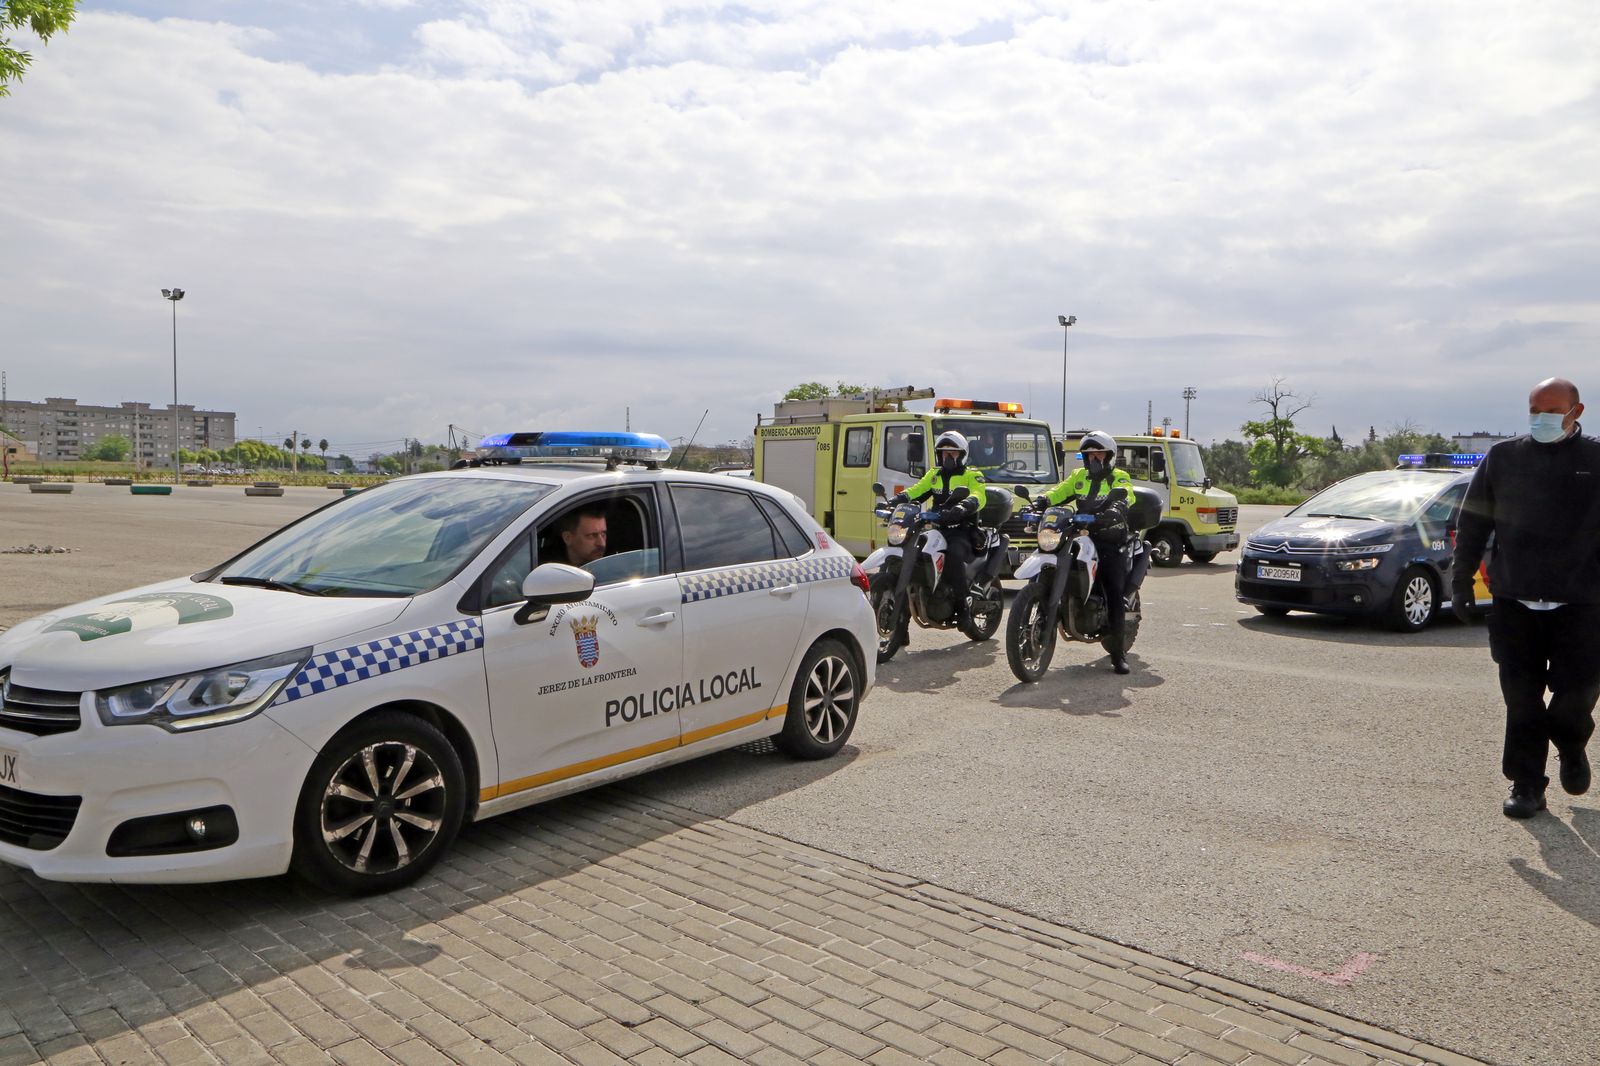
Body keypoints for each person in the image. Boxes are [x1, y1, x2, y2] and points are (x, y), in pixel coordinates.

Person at [1453, 377, 1600, 819]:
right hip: (1515, 601)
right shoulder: (1503, 457)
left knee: (1576, 697)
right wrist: (1461, 578)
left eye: (1551, 411)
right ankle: (1526, 783)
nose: (1541, 419)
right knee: (1521, 699)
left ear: (1577, 411)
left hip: (1583, 603)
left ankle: (1571, 745)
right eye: (1534, 410)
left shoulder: (1596, 458)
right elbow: (1474, 520)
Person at [1036, 430, 1136, 674]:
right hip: (1080, 535)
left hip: (1110, 537)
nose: (1094, 458)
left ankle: (1117, 654)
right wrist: (1042, 500)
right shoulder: (1078, 476)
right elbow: (1059, 492)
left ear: (1109, 455)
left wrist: (1118, 506)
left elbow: (1127, 494)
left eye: (1098, 453)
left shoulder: (1118, 477)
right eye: (1089, 454)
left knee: (1113, 588)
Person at [891, 430, 987, 632]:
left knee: (954, 555)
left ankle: (962, 609)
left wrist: (964, 506)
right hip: (936, 529)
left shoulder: (972, 475)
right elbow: (916, 491)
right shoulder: (934, 475)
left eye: (952, 453)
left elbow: (979, 495)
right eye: (944, 453)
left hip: (961, 530)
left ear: (962, 455)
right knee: (911, 558)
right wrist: (897, 500)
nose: (947, 457)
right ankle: (901, 627)